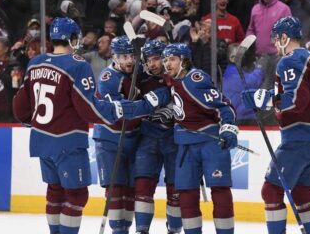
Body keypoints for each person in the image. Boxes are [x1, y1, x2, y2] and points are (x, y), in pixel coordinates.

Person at [12, 17, 169, 234]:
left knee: (55, 191)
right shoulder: (77, 65)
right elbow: (89, 109)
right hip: (67, 140)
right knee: (76, 195)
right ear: (72, 38)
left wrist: (37, 122)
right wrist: (122, 109)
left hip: (41, 140)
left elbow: (20, 108)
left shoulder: (35, 62)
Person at [241, 16, 310, 234]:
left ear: (284, 37)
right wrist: (266, 95)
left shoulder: (290, 60)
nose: (275, 44)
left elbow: (295, 101)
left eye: (276, 39)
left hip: (299, 137)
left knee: (271, 190)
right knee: (302, 193)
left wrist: (264, 100)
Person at [163, 43, 238, 234]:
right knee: (186, 194)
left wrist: (228, 128)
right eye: (165, 60)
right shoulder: (174, 81)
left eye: (172, 59)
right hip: (185, 146)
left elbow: (223, 105)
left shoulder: (194, 79)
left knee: (220, 190)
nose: (167, 64)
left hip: (210, 142)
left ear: (184, 61)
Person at [92, 35, 142, 234]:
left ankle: (125, 230)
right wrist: (144, 109)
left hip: (132, 138)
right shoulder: (107, 78)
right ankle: (117, 231)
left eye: (131, 55)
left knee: (130, 190)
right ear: (114, 57)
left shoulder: (136, 72)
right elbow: (116, 114)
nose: (129, 60)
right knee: (116, 189)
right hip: (110, 139)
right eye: (123, 56)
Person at [134, 40, 182, 234]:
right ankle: (142, 230)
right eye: (148, 60)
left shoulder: (178, 75)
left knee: (175, 190)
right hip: (148, 137)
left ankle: (175, 229)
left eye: (156, 59)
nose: (152, 64)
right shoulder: (140, 78)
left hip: (174, 139)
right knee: (143, 187)